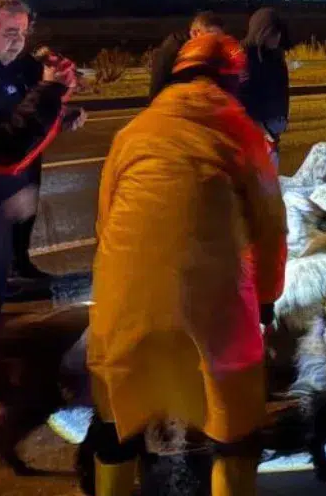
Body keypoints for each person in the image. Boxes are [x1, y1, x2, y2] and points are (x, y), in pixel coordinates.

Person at [86, 33, 287, 496]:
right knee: (235, 433)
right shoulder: (242, 135)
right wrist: (266, 301)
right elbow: (270, 230)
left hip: (124, 307)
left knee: (118, 426)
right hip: (213, 307)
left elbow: (105, 223)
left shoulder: (134, 131)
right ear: (234, 81)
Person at [0, 0, 85, 284]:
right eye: (10, 33)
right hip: (2, 179)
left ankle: (18, 266)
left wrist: (61, 112)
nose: (18, 41)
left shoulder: (20, 66)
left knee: (13, 237)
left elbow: (31, 106)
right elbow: (3, 144)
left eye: (22, 33)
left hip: (21, 168)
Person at [238, 8, 291, 170]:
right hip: (256, 130)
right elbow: (242, 97)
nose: (278, 38)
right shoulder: (243, 58)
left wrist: (282, 117)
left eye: (279, 33)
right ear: (262, 32)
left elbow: (282, 89)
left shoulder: (276, 56)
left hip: (273, 128)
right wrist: (262, 127)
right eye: (274, 34)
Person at [148, 11, 225, 99]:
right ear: (195, 33)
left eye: (218, 38)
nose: (215, 41)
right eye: (210, 36)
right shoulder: (172, 48)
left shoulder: (214, 49)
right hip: (175, 101)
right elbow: (158, 80)